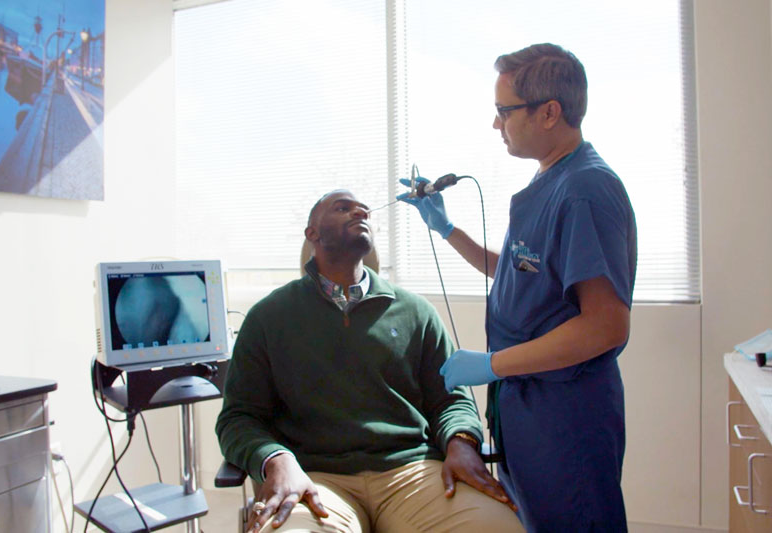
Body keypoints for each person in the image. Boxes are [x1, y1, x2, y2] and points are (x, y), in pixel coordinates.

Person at [399, 43, 637, 532]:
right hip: (528, 409)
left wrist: (492, 365)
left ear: (549, 112)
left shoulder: (585, 191)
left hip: (565, 416)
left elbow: (606, 324)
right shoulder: (550, 181)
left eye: (503, 111)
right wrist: (447, 231)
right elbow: (517, 271)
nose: (495, 125)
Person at [216, 189, 524, 533]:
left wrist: (461, 441)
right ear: (312, 234)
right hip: (315, 478)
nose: (360, 213)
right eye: (343, 208)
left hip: (413, 472)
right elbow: (238, 418)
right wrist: (276, 458)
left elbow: (452, 399)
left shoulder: (416, 312)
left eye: (364, 211)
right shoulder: (268, 317)